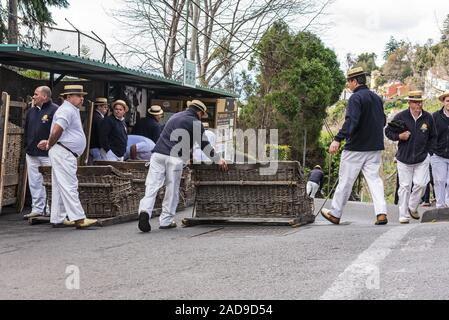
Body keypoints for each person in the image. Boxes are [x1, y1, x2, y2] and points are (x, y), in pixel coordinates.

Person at [138, 99, 228, 232]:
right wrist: (218, 159)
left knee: (151, 186)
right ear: (199, 112)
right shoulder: (196, 122)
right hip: (175, 157)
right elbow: (204, 145)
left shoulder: (174, 116)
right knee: (172, 189)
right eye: (202, 114)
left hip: (158, 154)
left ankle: (145, 211)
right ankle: (166, 221)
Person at [321, 67, 388, 226]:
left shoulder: (355, 98)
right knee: (374, 180)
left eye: (349, 82)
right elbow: (383, 121)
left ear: (354, 81)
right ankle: (381, 213)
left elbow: (352, 121)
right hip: (375, 147)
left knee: (345, 181)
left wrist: (337, 139)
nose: (348, 85)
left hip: (356, 148)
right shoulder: (377, 98)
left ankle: (335, 213)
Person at [37, 85, 97, 229]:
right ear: (69, 97)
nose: (82, 98)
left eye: (82, 95)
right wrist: (50, 143)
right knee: (70, 184)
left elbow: (60, 132)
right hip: (64, 152)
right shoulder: (66, 110)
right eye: (79, 96)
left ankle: (58, 217)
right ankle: (79, 218)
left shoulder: (69, 110)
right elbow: (58, 129)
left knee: (59, 185)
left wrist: (50, 142)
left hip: (63, 150)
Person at [385, 91, 436, 224]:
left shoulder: (428, 117)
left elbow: (433, 137)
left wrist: (429, 153)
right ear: (409, 103)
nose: (418, 104)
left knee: (421, 183)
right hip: (404, 158)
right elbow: (388, 131)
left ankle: (412, 206)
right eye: (415, 102)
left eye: (420, 102)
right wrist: (399, 137)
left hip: (422, 158)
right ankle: (403, 215)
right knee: (405, 186)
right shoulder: (401, 116)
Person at [23, 86, 58, 219]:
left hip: (48, 153)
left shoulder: (55, 110)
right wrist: (26, 146)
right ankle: (37, 208)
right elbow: (26, 131)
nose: (33, 96)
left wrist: (50, 145)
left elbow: (57, 131)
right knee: (34, 182)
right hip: (32, 152)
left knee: (50, 181)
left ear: (44, 96)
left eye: (36, 94)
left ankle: (50, 209)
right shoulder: (31, 111)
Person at [430, 91, 449, 208]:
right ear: (443, 102)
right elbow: (429, 134)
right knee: (439, 181)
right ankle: (440, 205)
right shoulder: (435, 116)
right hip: (438, 154)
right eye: (448, 101)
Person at [89, 97, 109, 162]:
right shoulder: (98, 118)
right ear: (99, 107)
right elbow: (101, 134)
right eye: (105, 107)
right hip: (96, 147)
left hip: (93, 146)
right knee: (99, 165)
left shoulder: (94, 115)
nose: (107, 109)